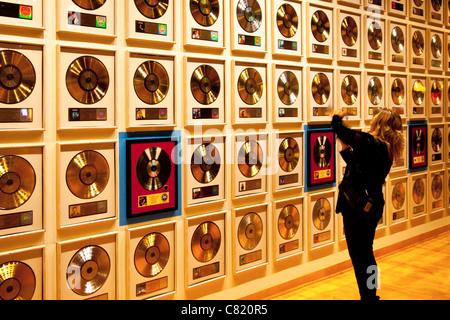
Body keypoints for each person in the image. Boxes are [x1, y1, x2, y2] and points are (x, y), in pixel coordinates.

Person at [330, 107, 404, 300]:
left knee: (360, 257)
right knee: (366, 254)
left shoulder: (372, 143)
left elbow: (344, 132)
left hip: (359, 208)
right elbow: (361, 169)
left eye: (374, 119)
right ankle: (371, 294)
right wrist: (346, 149)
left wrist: (337, 119)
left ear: (380, 123)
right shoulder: (386, 147)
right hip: (371, 205)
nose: (370, 121)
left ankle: (369, 297)